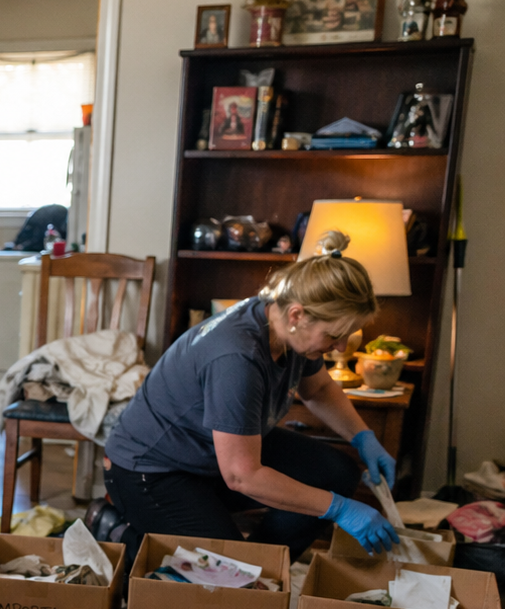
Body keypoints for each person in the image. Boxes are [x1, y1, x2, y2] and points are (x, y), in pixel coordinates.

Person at [101, 230, 400, 562]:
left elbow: (317, 389)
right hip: (150, 472)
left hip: (211, 453)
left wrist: (363, 437)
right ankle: (121, 533)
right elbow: (242, 476)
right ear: (297, 315)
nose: (341, 347)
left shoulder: (284, 323)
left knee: (336, 473)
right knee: (229, 571)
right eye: (334, 335)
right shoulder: (237, 358)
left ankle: (263, 564)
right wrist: (339, 509)